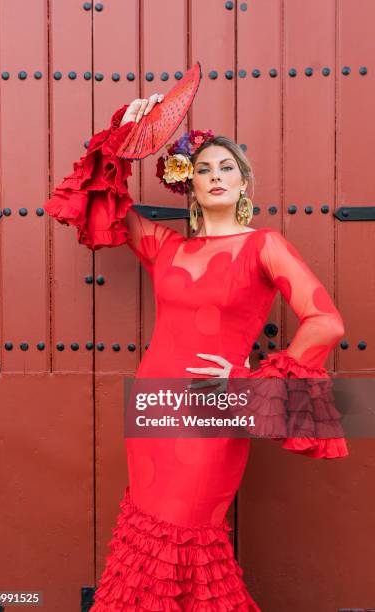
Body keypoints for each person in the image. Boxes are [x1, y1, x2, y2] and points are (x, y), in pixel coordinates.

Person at [44, 93, 349, 611]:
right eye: (204, 168)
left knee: (188, 539)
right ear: (188, 182)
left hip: (213, 410)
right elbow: (100, 200)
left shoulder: (264, 245)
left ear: (242, 182)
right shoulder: (166, 247)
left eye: (227, 167)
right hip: (152, 410)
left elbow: (327, 322)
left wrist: (250, 385)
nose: (216, 175)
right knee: (146, 540)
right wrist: (126, 131)